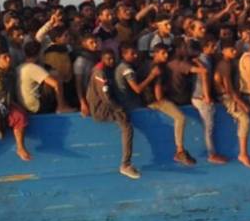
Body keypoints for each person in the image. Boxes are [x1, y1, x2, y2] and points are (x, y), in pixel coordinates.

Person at [85, 48, 140, 179]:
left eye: (113, 58)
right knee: (127, 127)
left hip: (105, 105)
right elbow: (106, 98)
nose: (112, 61)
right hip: (102, 108)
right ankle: (125, 164)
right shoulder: (100, 73)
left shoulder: (105, 69)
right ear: (102, 59)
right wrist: (119, 109)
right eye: (108, 59)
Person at [146, 44, 198, 166]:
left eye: (167, 53)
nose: (166, 55)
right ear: (155, 54)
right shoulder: (157, 68)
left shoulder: (149, 65)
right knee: (180, 118)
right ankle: (180, 151)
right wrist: (164, 100)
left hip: (151, 99)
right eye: (163, 53)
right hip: (155, 101)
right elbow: (158, 94)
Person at [214, 39, 250, 168]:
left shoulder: (229, 62)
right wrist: (240, 102)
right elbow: (228, 88)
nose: (234, 52)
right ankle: (243, 153)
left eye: (235, 49)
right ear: (223, 51)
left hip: (230, 95)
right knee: (245, 120)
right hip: (226, 97)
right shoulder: (224, 65)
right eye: (231, 50)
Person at [0, 46, 32, 160]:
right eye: (4, 57)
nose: (8, 59)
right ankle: (20, 147)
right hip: (0, 105)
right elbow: (0, 95)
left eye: (9, 56)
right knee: (19, 116)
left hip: (10, 101)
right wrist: (15, 105)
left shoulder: (11, 71)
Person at [189, 36, 228, 164]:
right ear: (205, 48)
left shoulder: (205, 59)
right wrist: (207, 96)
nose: (215, 48)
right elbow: (204, 78)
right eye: (212, 46)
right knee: (208, 126)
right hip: (201, 97)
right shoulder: (204, 60)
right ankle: (212, 154)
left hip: (198, 96)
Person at [17, 41, 73, 114]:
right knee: (57, 80)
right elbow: (55, 84)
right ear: (39, 53)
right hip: (35, 106)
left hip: (23, 105)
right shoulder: (33, 68)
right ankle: (61, 107)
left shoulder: (20, 67)